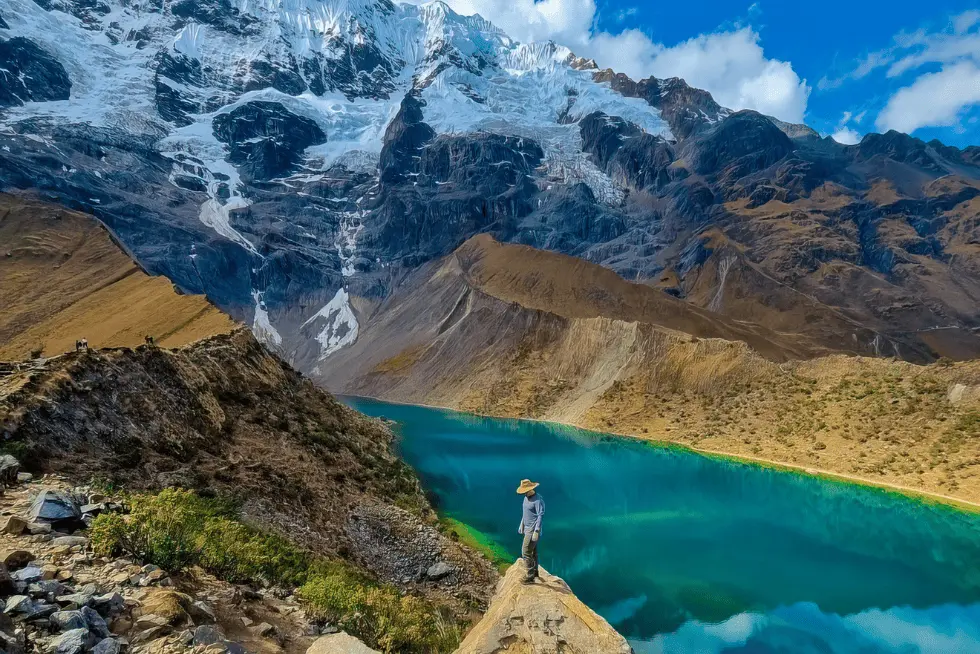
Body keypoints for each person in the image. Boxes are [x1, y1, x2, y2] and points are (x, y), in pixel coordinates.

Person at [516, 478, 545, 583]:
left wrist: (536, 531)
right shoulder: (526, 498)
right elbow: (526, 512)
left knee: (525, 551)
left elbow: (540, 515)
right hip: (527, 528)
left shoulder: (537, 500)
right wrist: (522, 524)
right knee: (533, 552)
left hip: (532, 530)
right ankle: (535, 573)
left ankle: (529, 576)